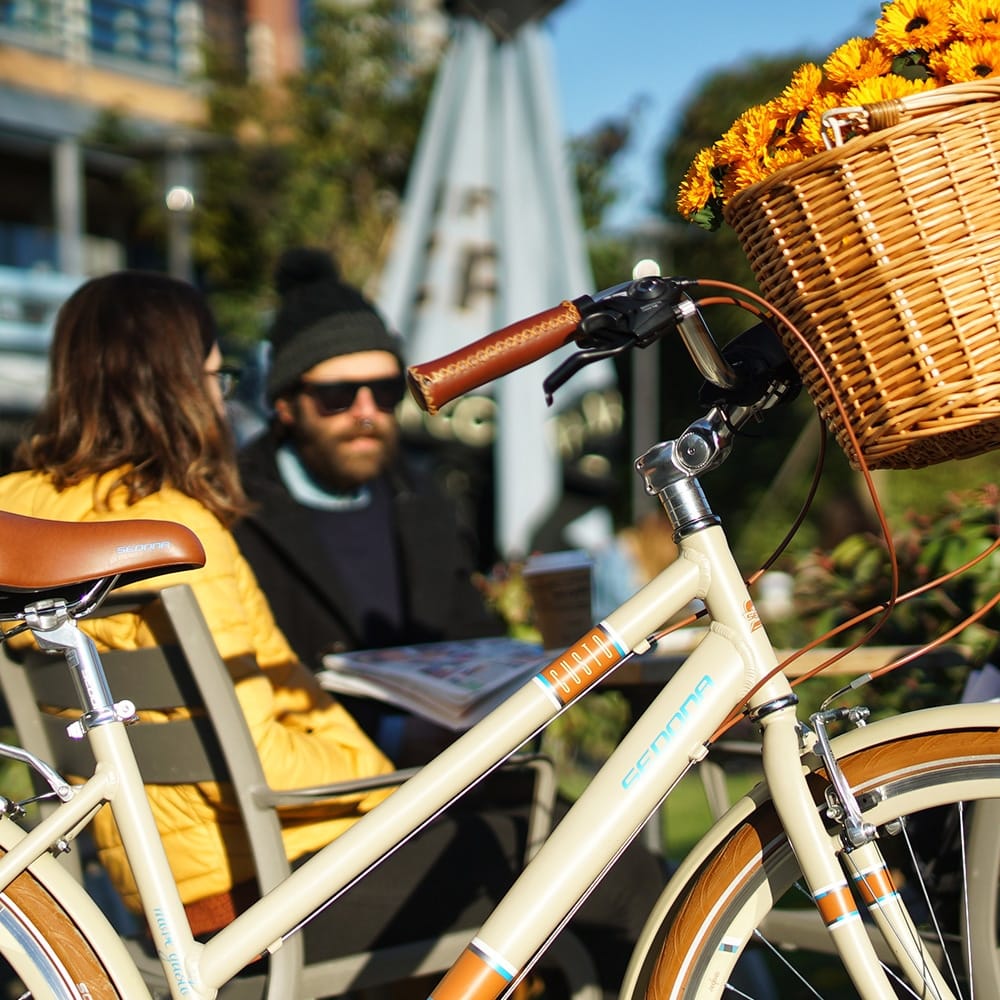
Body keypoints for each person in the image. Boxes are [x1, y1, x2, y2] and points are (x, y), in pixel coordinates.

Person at [0, 269, 661, 996]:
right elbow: (261, 756)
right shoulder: (175, 529)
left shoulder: (23, 521)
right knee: (603, 856)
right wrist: (403, 780)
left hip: (165, 883)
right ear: (175, 386)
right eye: (217, 381)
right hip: (262, 894)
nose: (223, 403)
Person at [233, 247, 503, 746]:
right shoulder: (233, 510)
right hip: (327, 790)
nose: (365, 412)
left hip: (454, 771)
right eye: (338, 395)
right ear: (286, 405)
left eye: (383, 392)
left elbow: (474, 638)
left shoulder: (423, 497)